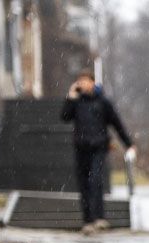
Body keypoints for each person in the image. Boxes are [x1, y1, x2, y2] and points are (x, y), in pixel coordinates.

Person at [61, 69, 135, 234]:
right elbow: (65, 117)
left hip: (99, 147)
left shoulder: (102, 102)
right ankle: (88, 220)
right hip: (81, 148)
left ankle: (99, 217)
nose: (83, 84)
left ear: (93, 82)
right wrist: (70, 98)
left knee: (95, 180)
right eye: (80, 81)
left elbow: (116, 123)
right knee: (84, 184)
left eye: (86, 80)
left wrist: (128, 144)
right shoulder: (76, 102)